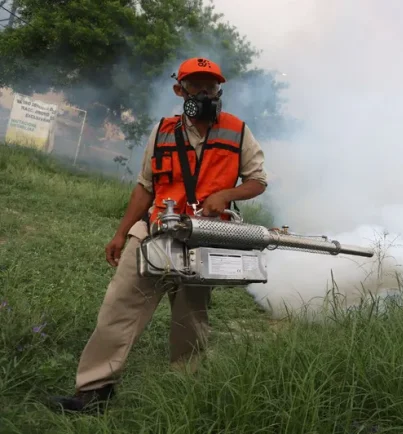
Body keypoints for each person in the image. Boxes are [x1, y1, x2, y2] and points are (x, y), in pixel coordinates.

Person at [48, 57, 269, 413]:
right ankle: (94, 392)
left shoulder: (237, 130)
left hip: (202, 238)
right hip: (154, 232)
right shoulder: (163, 130)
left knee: (191, 319)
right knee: (119, 306)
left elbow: (258, 180)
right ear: (179, 90)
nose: (205, 93)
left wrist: (226, 195)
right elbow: (145, 187)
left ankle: (184, 391)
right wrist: (121, 234)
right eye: (196, 86)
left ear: (219, 90)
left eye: (211, 87)